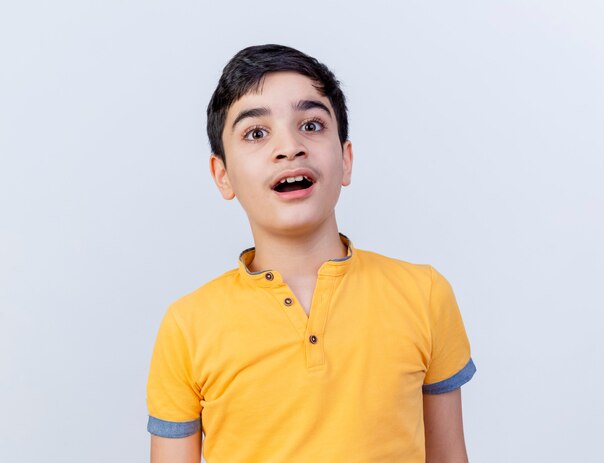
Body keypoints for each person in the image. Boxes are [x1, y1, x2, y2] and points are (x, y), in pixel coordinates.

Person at [146, 44, 476, 463]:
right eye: (256, 133)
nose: (289, 147)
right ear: (222, 175)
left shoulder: (424, 294)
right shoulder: (187, 326)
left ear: (346, 159)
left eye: (312, 125)